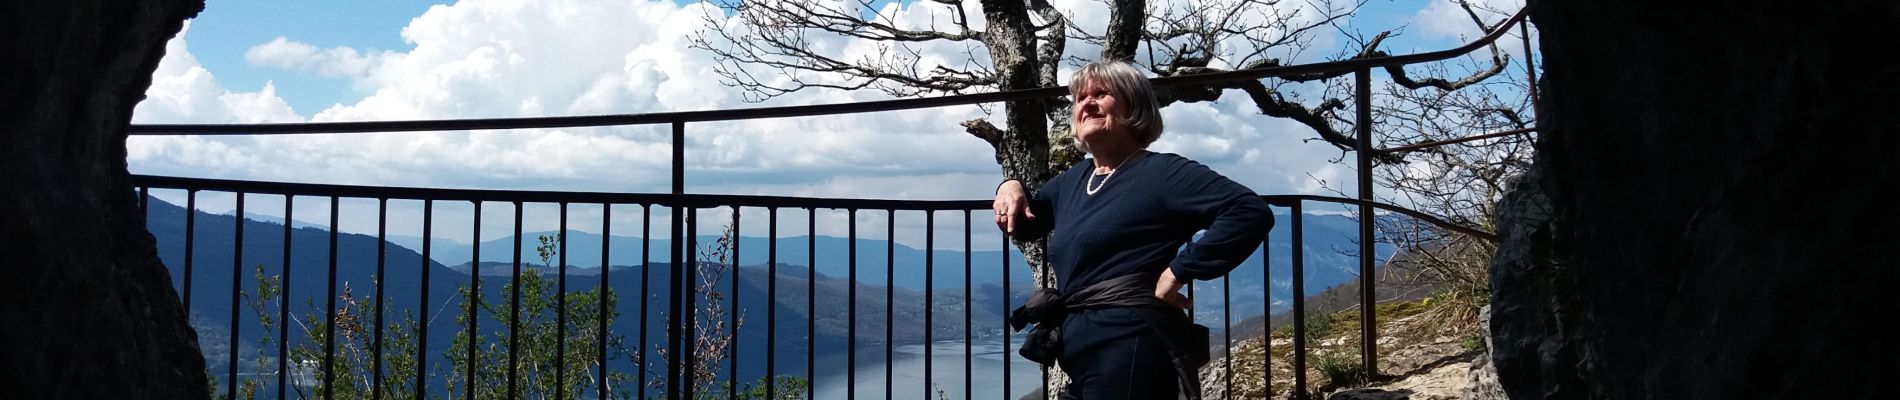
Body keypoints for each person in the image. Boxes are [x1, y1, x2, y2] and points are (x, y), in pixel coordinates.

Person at [994, 60, 1271, 400]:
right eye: (1080, 97)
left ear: (1133, 106)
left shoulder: (1163, 173)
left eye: (1101, 94)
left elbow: (1249, 211)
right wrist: (1009, 186)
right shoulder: (1073, 181)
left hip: (1130, 343)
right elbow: (1023, 227)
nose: (1087, 103)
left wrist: (1180, 270)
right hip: (1082, 350)